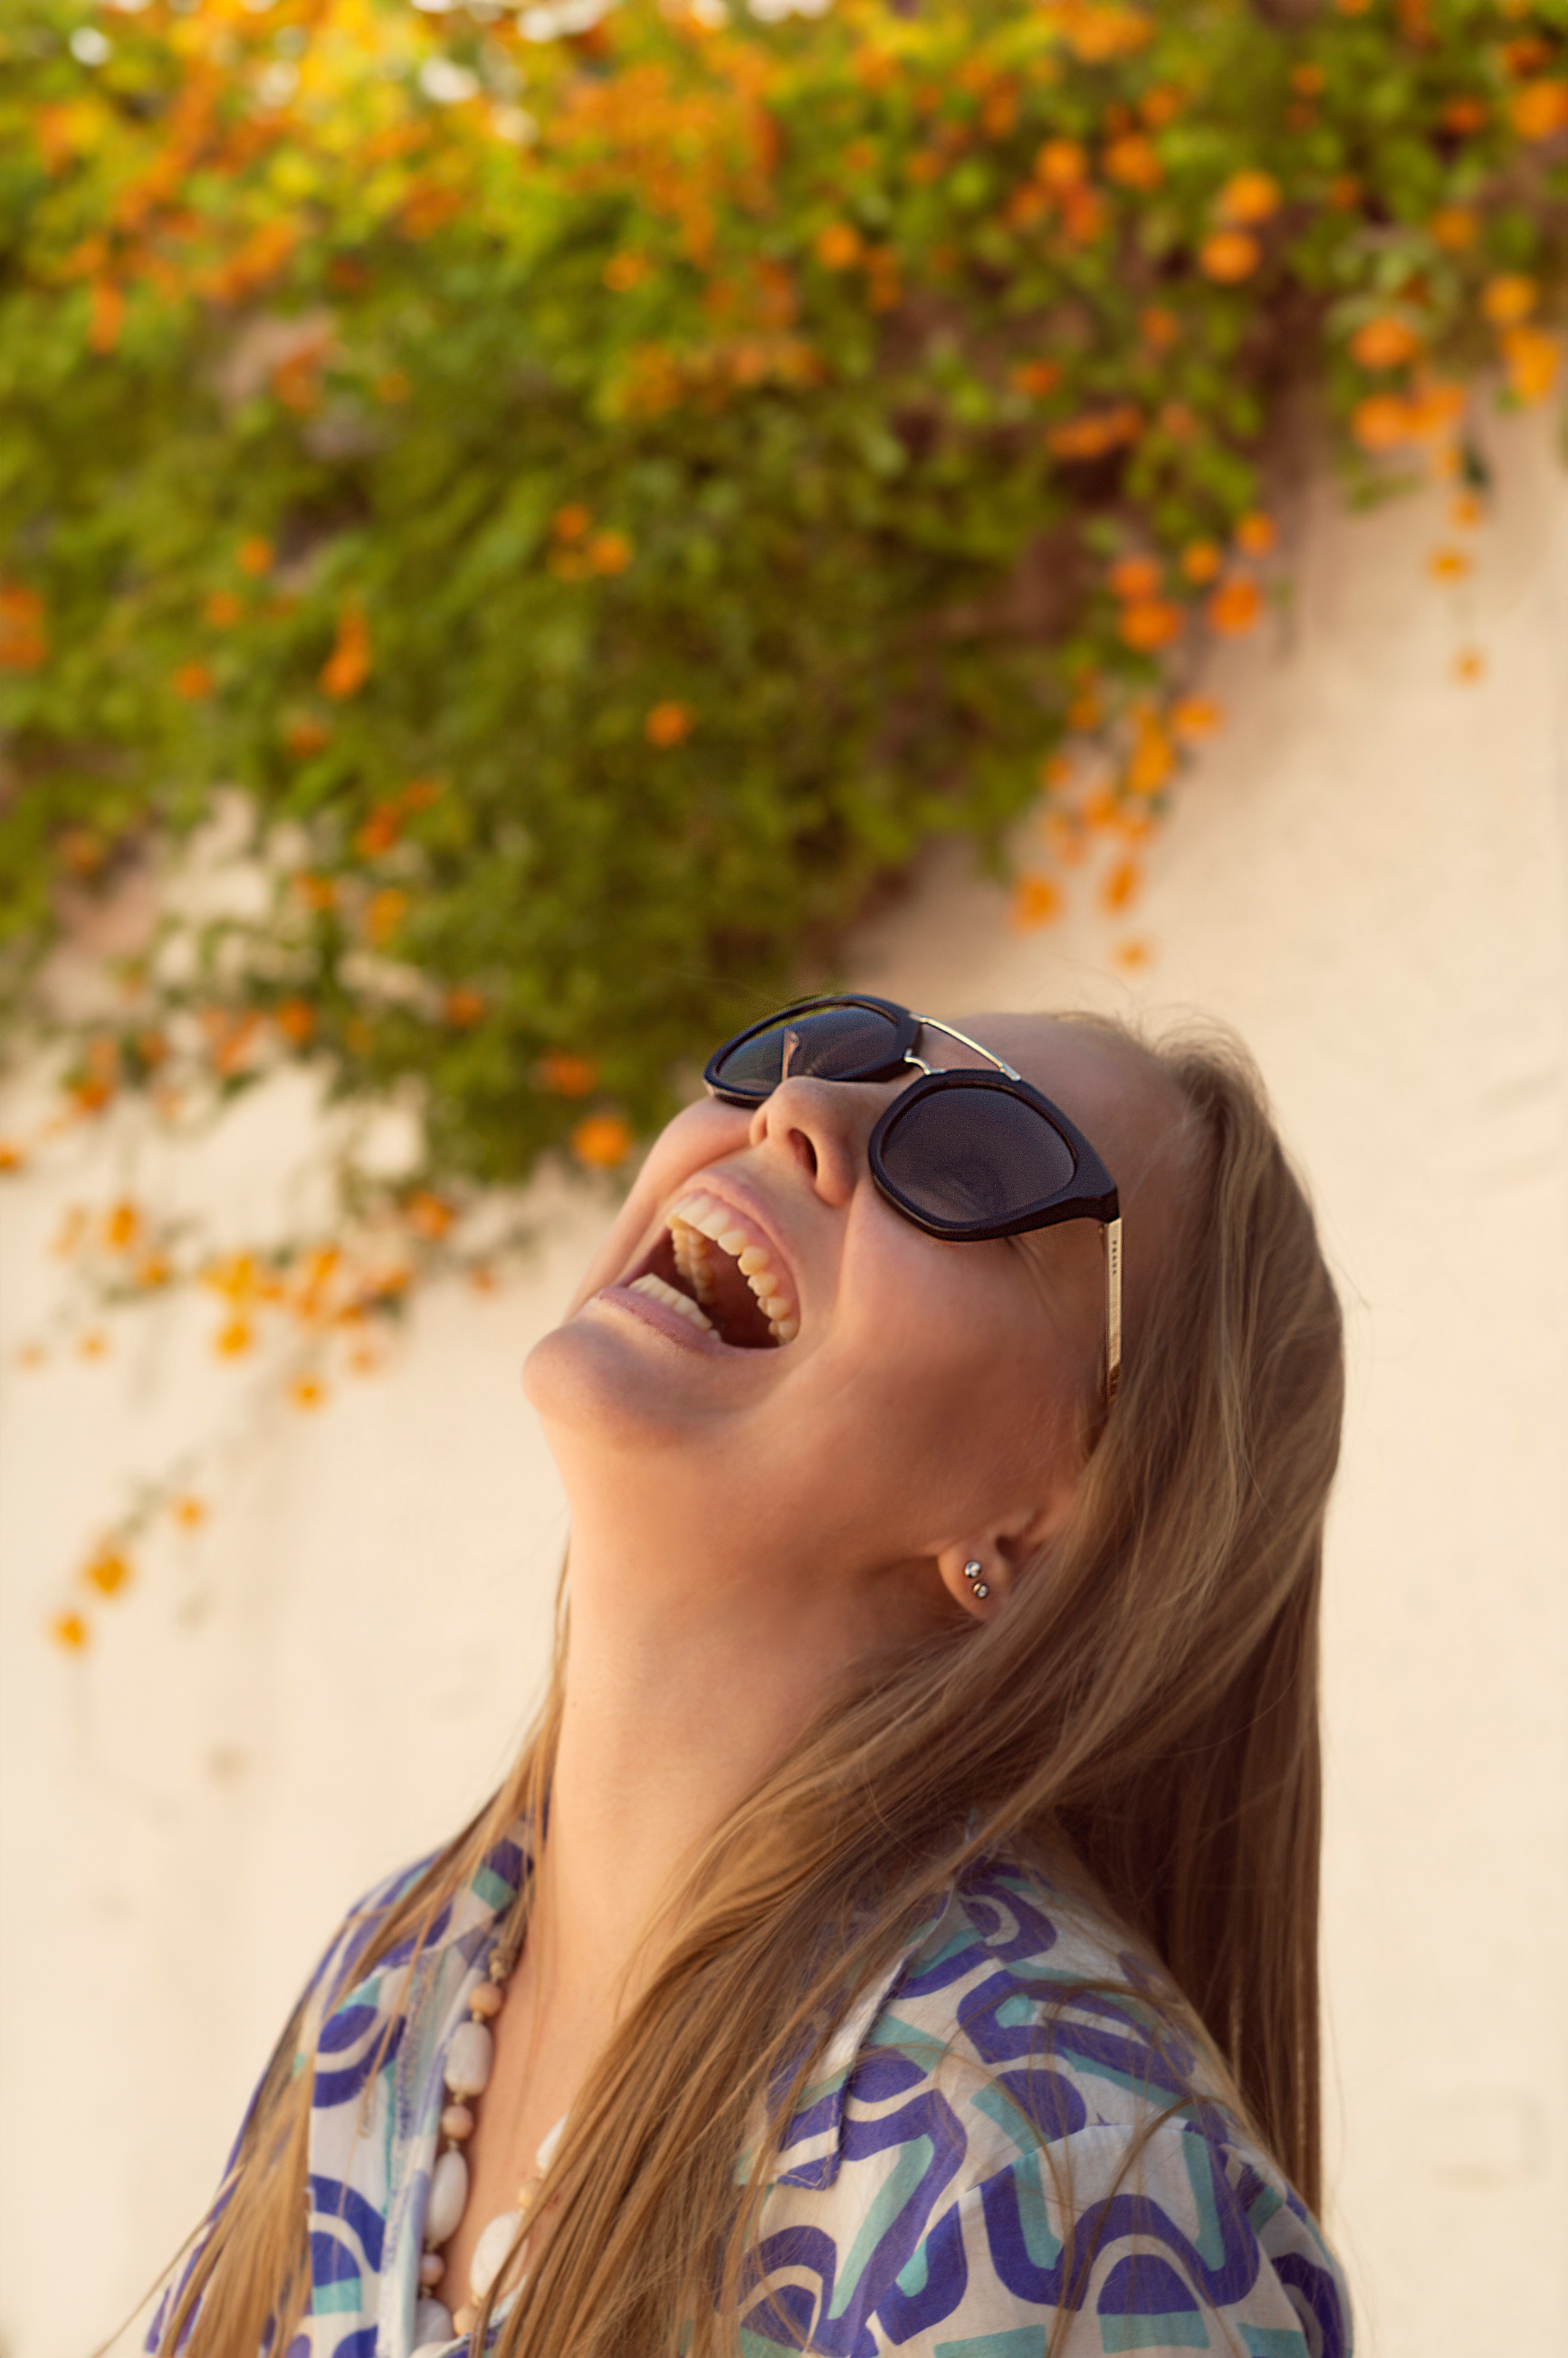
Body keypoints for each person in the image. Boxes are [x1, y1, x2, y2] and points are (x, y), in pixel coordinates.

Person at [145, 996, 1352, 2358]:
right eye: (829, 1046)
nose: (798, 1110)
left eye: (970, 1163)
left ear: (1051, 1508)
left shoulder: (1044, 2159)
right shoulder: (395, 1985)